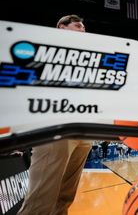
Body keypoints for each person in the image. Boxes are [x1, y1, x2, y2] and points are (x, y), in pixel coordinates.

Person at [18, 15, 92, 215]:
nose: (83, 28)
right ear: (62, 27)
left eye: (84, 26)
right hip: (55, 127)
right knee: (40, 200)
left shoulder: (88, 57)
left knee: (64, 197)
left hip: (84, 130)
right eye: (77, 25)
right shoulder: (44, 49)